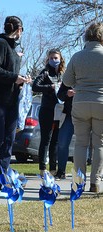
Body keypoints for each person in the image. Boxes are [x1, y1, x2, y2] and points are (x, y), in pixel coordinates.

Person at [0, 16, 31, 190]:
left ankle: (1, 179)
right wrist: (14, 77)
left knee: (9, 139)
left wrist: (22, 80)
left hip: (11, 100)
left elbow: (10, 73)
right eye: (22, 30)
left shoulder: (13, 48)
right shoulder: (0, 44)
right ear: (19, 30)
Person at [63, 22, 103, 193]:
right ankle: (96, 182)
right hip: (101, 101)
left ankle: (78, 182)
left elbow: (66, 81)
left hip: (80, 102)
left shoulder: (77, 56)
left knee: (80, 143)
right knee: (100, 143)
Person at [32, 49, 66, 176]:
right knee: (46, 139)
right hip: (47, 110)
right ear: (48, 60)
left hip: (59, 110)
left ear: (61, 59)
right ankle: (42, 168)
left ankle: (53, 169)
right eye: (51, 58)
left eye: (56, 58)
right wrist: (50, 88)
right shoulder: (45, 73)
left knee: (55, 141)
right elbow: (35, 86)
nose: (54, 60)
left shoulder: (63, 74)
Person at [54, 83, 75, 180]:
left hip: (86, 115)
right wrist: (67, 93)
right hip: (69, 115)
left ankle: (95, 174)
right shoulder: (69, 78)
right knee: (62, 143)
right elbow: (60, 95)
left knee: (93, 144)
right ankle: (61, 171)